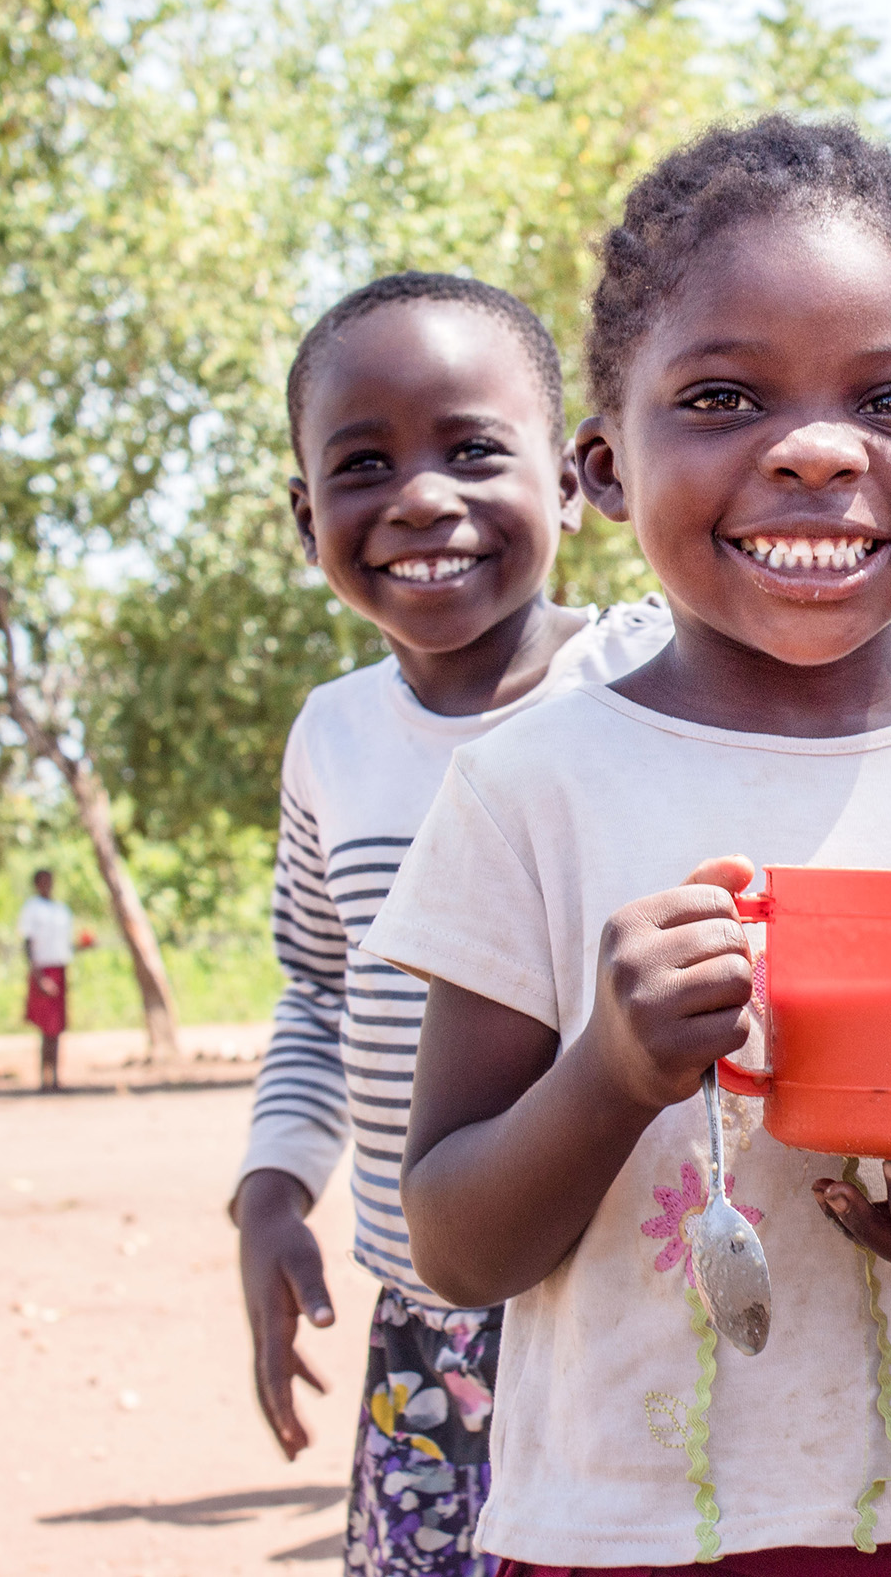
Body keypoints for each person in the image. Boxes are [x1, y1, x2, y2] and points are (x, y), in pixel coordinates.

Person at [366, 116, 891, 1576]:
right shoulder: (529, 787)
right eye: (723, 395)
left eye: (890, 399)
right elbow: (454, 1240)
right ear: (603, 469)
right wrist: (611, 1072)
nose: (819, 449)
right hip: (631, 1528)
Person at [230, 271, 672, 1576]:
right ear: (308, 516)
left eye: (474, 449)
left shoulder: (653, 673)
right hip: (435, 1315)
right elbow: (316, 987)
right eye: (363, 464)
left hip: (643, 1295)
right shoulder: (334, 738)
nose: (421, 497)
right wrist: (267, 1193)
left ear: (584, 480)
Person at [18, 869, 74, 1092]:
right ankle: (45, 1078)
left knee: (57, 1028)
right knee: (45, 1028)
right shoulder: (32, 909)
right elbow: (28, 945)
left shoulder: (60, 910)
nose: (47, 885)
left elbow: (63, 945)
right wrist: (39, 977)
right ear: (36, 884)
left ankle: (56, 1076)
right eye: (43, 881)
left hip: (59, 968)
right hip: (43, 969)